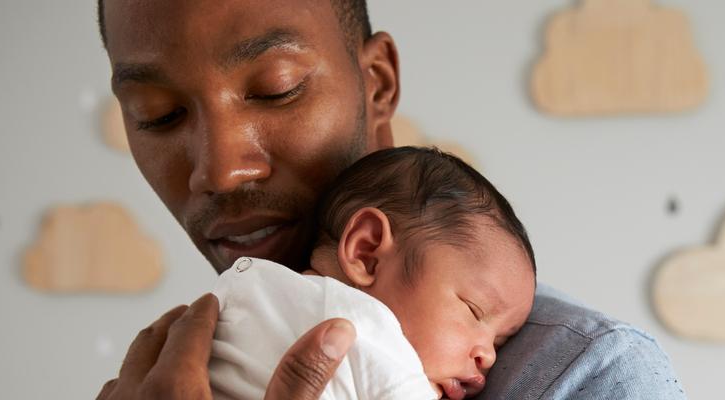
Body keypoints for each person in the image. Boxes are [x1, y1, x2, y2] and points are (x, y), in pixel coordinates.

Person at [95, 1, 687, 399]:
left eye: (277, 89)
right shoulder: (171, 371)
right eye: (158, 115)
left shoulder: (589, 376)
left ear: (376, 82)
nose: (222, 172)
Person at [209, 147, 536, 400]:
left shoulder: (245, 291)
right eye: (474, 309)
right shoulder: (373, 339)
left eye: (500, 341)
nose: (488, 356)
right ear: (367, 253)